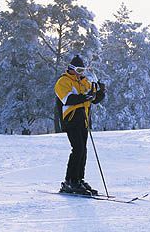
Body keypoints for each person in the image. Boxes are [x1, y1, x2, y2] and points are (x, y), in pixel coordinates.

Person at [54, 54, 106, 195]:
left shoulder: (83, 82)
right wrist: (86, 96)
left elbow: (94, 99)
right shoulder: (63, 81)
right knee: (77, 149)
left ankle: (79, 179)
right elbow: (67, 99)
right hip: (71, 119)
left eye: (82, 70)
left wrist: (100, 91)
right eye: (78, 69)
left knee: (83, 150)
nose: (80, 73)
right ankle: (70, 181)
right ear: (71, 68)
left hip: (84, 120)